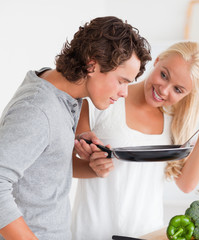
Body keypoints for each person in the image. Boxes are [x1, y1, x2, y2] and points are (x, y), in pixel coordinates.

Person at [0, 16, 151, 240]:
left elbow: (40, 169)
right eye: (121, 81)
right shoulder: (37, 110)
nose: (124, 93)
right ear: (92, 64)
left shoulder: (63, 93)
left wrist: (90, 166)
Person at [71, 41, 199, 239]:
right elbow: (68, 160)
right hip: (92, 234)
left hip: (147, 234)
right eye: (164, 75)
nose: (164, 90)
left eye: (178, 90)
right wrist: (92, 165)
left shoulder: (175, 122)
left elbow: (186, 185)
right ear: (156, 61)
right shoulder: (104, 101)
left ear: (187, 94)